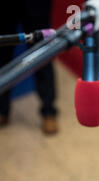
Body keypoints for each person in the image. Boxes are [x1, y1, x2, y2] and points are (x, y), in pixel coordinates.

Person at [0, 0, 58, 135]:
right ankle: (2, 109)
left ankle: (48, 110)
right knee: (2, 54)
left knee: (42, 52)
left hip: (35, 4)